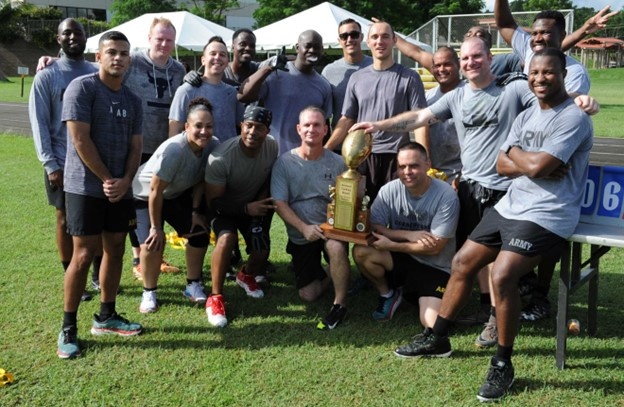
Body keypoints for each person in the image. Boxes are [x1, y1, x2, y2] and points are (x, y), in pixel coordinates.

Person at [390, 49, 593, 403]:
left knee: (501, 276)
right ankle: (438, 337)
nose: (540, 79)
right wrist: (527, 161)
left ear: (563, 73)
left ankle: (503, 363)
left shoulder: (573, 118)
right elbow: (505, 165)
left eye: (548, 72)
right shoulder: (526, 114)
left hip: (549, 213)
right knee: (462, 262)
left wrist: (523, 158)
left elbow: (532, 164)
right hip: (512, 204)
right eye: (534, 73)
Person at [57, 31, 143, 359]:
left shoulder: (133, 100)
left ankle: (106, 316)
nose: (118, 58)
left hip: (120, 187)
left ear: (129, 59)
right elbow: (80, 140)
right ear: (99, 57)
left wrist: (126, 180)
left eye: (123, 53)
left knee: (116, 248)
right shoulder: (83, 88)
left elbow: (136, 146)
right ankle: (68, 327)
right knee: (83, 255)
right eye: (111, 52)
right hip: (85, 187)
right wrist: (108, 178)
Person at [353, 142, 459, 331]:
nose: (407, 172)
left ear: (428, 164)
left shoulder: (446, 196)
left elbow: (435, 247)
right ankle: (388, 295)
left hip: (435, 267)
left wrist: (392, 245)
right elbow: (374, 225)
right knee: (361, 252)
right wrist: (408, 235)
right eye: (402, 167)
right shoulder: (389, 190)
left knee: (433, 325)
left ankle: (422, 295)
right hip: (403, 259)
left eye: (414, 166)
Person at [29, 18, 99, 303]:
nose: (73, 37)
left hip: (94, 160)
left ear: (86, 37)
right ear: (58, 39)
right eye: (66, 33)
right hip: (61, 162)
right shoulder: (47, 75)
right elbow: (39, 123)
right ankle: (71, 272)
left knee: (95, 221)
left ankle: (96, 274)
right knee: (64, 219)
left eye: (78, 32)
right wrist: (50, 164)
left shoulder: (97, 72)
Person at [324, 21, 428, 203]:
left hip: (397, 158)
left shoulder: (410, 77)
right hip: (363, 158)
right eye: (375, 37)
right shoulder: (356, 78)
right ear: (369, 42)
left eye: (385, 36)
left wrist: (425, 161)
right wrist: (326, 150)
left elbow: (420, 121)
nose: (380, 41)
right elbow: (347, 118)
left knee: (396, 214)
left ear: (394, 40)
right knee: (361, 215)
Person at [132, 97, 219, 313]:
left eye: (208, 126)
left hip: (174, 194)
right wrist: (156, 227)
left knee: (198, 233)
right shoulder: (174, 150)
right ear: (186, 126)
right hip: (144, 196)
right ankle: (149, 292)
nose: (204, 132)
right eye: (198, 126)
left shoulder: (212, 145)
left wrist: (196, 211)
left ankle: (193, 284)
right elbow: (155, 191)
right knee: (152, 242)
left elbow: (200, 179)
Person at [271, 106, 350, 330]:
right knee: (309, 294)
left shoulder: (338, 163)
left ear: (326, 129)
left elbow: (346, 199)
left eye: (317, 125)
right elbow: (279, 203)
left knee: (335, 247)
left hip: (330, 230)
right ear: (298, 129)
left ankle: (340, 304)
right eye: (307, 125)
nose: (311, 129)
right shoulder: (284, 163)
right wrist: (304, 228)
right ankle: (337, 271)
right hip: (301, 234)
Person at [204, 106, 278, 327]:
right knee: (227, 239)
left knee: (261, 249)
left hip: (252, 205)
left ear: (267, 131)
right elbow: (214, 202)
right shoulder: (220, 157)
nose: (253, 132)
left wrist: (259, 210)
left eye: (260, 127)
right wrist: (247, 209)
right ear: (241, 125)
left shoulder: (271, 145)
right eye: (249, 126)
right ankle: (215, 297)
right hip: (224, 208)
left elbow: (266, 176)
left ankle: (245, 275)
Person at [238, 30, 333, 155]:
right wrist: (268, 68)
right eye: (308, 46)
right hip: (270, 154)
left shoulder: (323, 85)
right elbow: (243, 96)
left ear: (322, 50)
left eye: (316, 47)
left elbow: (324, 126)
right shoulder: (277, 73)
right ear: (297, 48)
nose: (312, 50)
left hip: (304, 158)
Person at [169, 36, 244, 142]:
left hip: (227, 156)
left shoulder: (232, 93)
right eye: (213, 54)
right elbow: (174, 130)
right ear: (203, 60)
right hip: (197, 157)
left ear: (227, 61)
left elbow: (242, 124)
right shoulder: (186, 91)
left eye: (222, 54)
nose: (217, 57)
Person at [321, 19, 373, 132]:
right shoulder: (329, 71)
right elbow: (323, 112)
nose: (349, 39)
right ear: (339, 40)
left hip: (374, 141)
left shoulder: (376, 66)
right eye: (344, 36)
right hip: (339, 143)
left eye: (354, 35)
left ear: (362, 37)